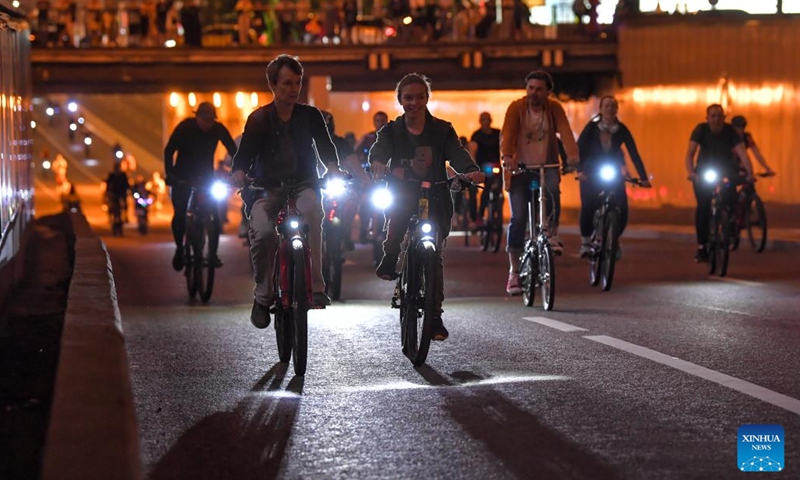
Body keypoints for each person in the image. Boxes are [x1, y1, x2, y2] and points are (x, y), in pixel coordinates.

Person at [369, 72, 485, 342]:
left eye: (420, 97)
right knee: (396, 225)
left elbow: (456, 152)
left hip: (436, 193)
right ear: (400, 100)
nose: (414, 103)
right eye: (408, 98)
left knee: (435, 254)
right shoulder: (392, 130)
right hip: (403, 192)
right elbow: (379, 149)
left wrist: (470, 171)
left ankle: (434, 317)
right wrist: (377, 163)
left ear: (427, 99)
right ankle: (390, 258)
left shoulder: (442, 129)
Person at [231, 54, 343, 330]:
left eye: (297, 83)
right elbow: (243, 157)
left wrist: (333, 168)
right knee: (264, 233)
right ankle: (262, 296)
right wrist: (238, 173)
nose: (293, 89)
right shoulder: (258, 119)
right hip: (265, 189)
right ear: (272, 85)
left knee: (315, 213)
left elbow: (327, 148)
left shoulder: (311, 116)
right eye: (286, 84)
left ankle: (317, 284)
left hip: (303, 185)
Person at [500, 70, 579, 296]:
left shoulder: (554, 109)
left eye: (539, 89)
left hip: (547, 166)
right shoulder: (516, 108)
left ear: (548, 92)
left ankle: (552, 234)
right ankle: (514, 271)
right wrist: (507, 157)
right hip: (520, 169)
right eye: (531, 88)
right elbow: (508, 133)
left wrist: (573, 157)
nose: (534, 93)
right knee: (519, 218)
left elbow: (565, 132)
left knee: (553, 189)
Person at [164, 101, 237, 271]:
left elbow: (233, 150)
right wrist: (170, 175)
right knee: (180, 213)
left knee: (214, 215)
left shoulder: (217, 129)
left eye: (211, 120)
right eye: (204, 120)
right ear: (196, 117)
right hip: (182, 176)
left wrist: (238, 169)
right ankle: (180, 248)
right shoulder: (185, 128)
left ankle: (212, 254)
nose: (208, 124)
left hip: (206, 177)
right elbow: (169, 150)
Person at [576, 96, 651, 257]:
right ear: (601, 109)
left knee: (622, 209)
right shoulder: (591, 128)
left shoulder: (622, 129)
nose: (610, 109)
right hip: (591, 172)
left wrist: (643, 177)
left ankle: (613, 238)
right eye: (607, 106)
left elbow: (634, 153)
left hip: (614, 171)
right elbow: (579, 149)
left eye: (613, 107)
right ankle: (586, 243)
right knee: (589, 205)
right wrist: (580, 170)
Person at [684, 104, 754, 263]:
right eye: (713, 116)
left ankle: (728, 226)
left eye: (719, 116)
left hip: (726, 171)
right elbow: (689, 155)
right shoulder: (700, 130)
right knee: (703, 206)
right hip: (703, 172)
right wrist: (692, 173)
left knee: (731, 199)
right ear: (707, 118)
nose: (716, 119)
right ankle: (702, 246)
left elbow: (743, 154)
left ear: (724, 118)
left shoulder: (730, 132)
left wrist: (750, 174)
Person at [354, 111, 389, 243]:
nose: (380, 123)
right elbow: (355, 154)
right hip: (369, 180)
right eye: (378, 120)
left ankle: (386, 230)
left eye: (383, 121)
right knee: (365, 204)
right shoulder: (367, 138)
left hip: (387, 180)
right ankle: (364, 228)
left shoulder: (393, 138)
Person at [469, 111, 501, 226]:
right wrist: (473, 167)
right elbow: (473, 149)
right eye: (483, 120)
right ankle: (479, 215)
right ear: (480, 121)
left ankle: (497, 211)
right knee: (484, 189)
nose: (485, 122)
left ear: (491, 120)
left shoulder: (497, 133)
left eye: (487, 119)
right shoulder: (476, 135)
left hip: (496, 166)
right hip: (482, 167)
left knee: (499, 188)